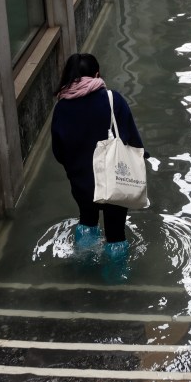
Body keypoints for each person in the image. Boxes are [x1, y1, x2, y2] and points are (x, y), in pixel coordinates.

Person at [51, 53, 146, 267]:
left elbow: (58, 152)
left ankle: (83, 264)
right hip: (114, 181)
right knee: (115, 234)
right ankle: (114, 281)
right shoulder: (113, 100)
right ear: (97, 74)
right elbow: (131, 139)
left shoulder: (61, 108)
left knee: (87, 219)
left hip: (82, 184)